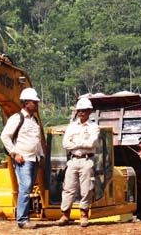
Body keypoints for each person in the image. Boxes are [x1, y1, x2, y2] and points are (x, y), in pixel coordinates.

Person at [0, 87, 44, 230]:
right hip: (23, 159)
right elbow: (5, 136)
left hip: (34, 159)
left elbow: (36, 140)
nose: (36, 104)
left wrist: (41, 155)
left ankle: (24, 218)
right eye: (34, 102)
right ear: (26, 103)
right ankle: (22, 220)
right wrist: (15, 153)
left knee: (29, 187)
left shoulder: (34, 120)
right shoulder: (17, 118)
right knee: (25, 187)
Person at [57, 97, 100, 227]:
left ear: (89, 112)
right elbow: (65, 143)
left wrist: (75, 143)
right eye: (79, 111)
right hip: (73, 160)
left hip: (87, 161)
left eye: (84, 111)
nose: (81, 113)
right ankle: (65, 215)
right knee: (68, 188)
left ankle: (84, 215)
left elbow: (92, 143)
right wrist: (82, 144)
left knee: (86, 189)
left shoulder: (94, 127)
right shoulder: (71, 126)